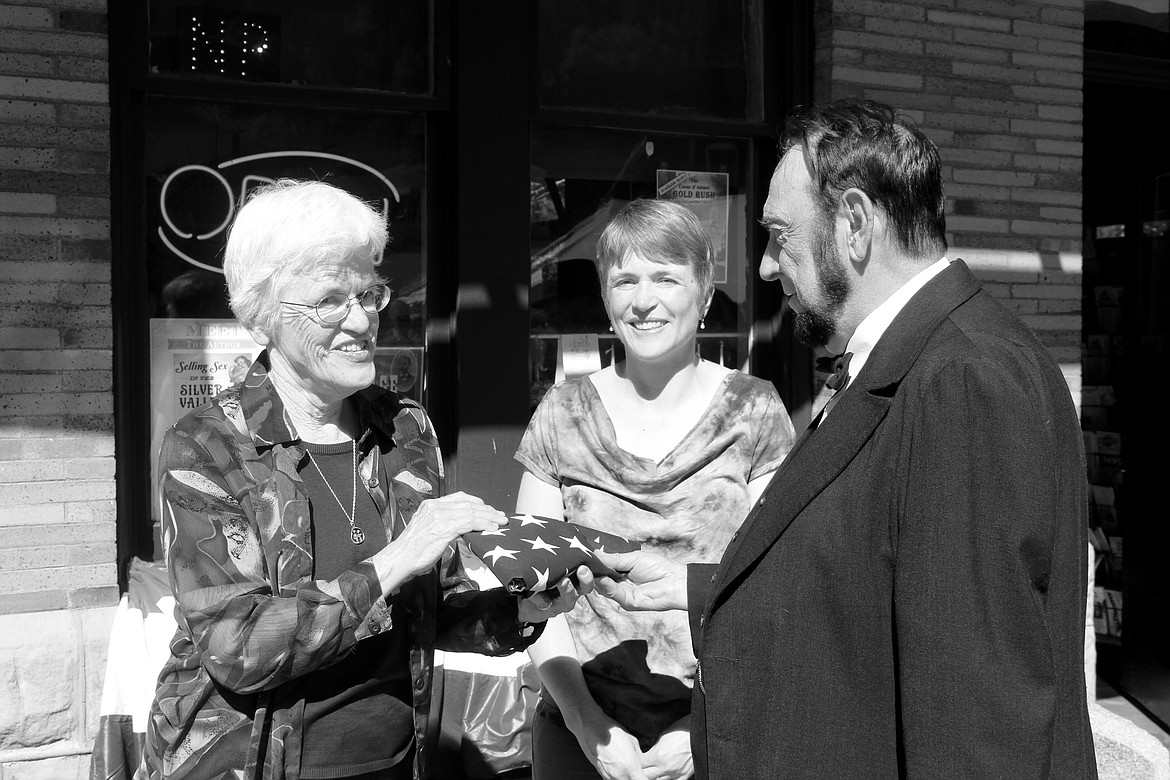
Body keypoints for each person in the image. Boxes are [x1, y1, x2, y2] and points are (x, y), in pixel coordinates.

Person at [591, 100, 1098, 778]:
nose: (769, 267)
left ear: (854, 223)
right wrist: (697, 587)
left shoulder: (962, 378)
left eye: (779, 234)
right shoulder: (911, 359)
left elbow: (975, 711)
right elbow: (865, 580)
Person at [142, 180, 589, 780]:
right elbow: (237, 647)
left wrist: (524, 608)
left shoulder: (404, 428)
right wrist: (396, 558)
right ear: (262, 318)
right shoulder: (208, 445)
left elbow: (432, 609)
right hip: (245, 765)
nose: (362, 320)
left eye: (369, 293)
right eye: (331, 300)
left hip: (392, 762)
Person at [515, 198, 795, 780]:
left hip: (720, 728)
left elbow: (782, 589)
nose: (643, 301)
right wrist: (590, 727)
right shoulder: (561, 414)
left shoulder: (755, 411)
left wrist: (703, 729)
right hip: (580, 730)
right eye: (625, 281)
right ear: (606, 298)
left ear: (705, 294)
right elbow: (531, 595)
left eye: (666, 277)